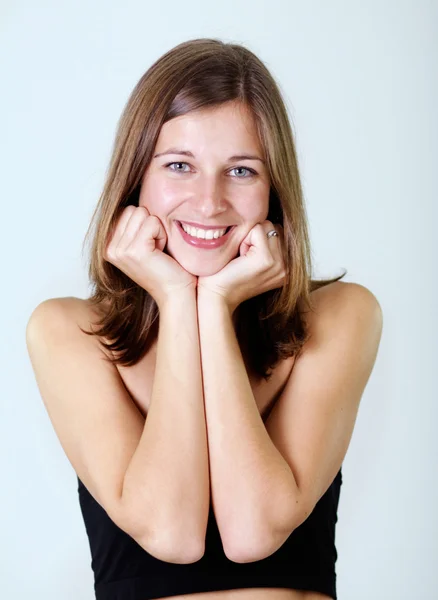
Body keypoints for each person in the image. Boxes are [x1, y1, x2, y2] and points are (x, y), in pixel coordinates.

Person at [25, 38, 383, 600]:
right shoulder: (68, 332)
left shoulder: (341, 315)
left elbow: (253, 531)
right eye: (179, 166)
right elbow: (172, 533)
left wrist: (212, 306)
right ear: (136, 176)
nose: (209, 200)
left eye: (240, 170)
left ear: (274, 191)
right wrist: (175, 299)